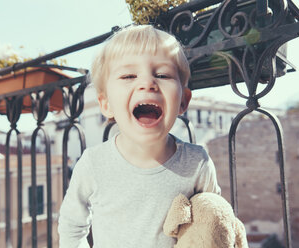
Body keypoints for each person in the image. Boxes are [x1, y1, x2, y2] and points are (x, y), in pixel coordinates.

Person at [58, 24, 221, 248]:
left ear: (183, 100)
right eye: (128, 75)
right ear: (106, 104)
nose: (147, 83)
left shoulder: (197, 163)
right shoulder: (93, 163)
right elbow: (71, 226)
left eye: (162, 74)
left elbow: (214, 223)